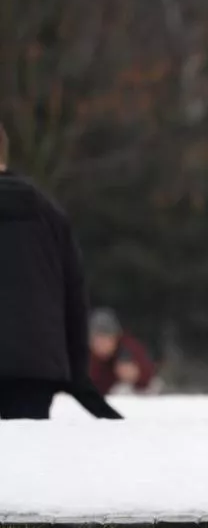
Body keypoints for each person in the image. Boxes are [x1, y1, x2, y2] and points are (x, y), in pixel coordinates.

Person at [0, 123, 121, 420]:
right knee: (26, 463)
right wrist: (78, 375)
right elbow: (74, 299)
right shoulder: (47, 212)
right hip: (35, 367)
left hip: (36, 363)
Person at [88, 308, 158, 395]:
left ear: (116, 338)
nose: (103, 344)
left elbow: (149, 371)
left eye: (107, 339)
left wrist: (137, 374)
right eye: (98, 339)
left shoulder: (128, 347)